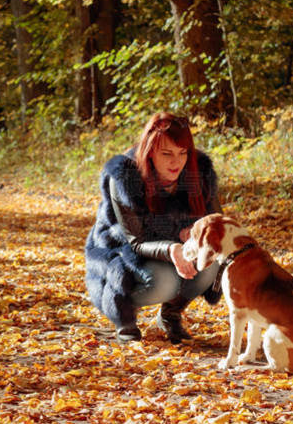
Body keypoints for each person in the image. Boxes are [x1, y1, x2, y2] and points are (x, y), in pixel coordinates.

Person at [85, 112, 223, 343]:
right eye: (166, 153)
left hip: (172, 246)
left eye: (182, 153)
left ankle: (170, 314)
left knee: (209, 267)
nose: (176, 162)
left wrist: (194, 230)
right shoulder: (125, 176)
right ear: (150, 151)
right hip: (124, 251)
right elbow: (135, 240)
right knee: (164, 282)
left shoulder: (199, 172)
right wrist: (172, 249)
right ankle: (123, 314)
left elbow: (218, 224)